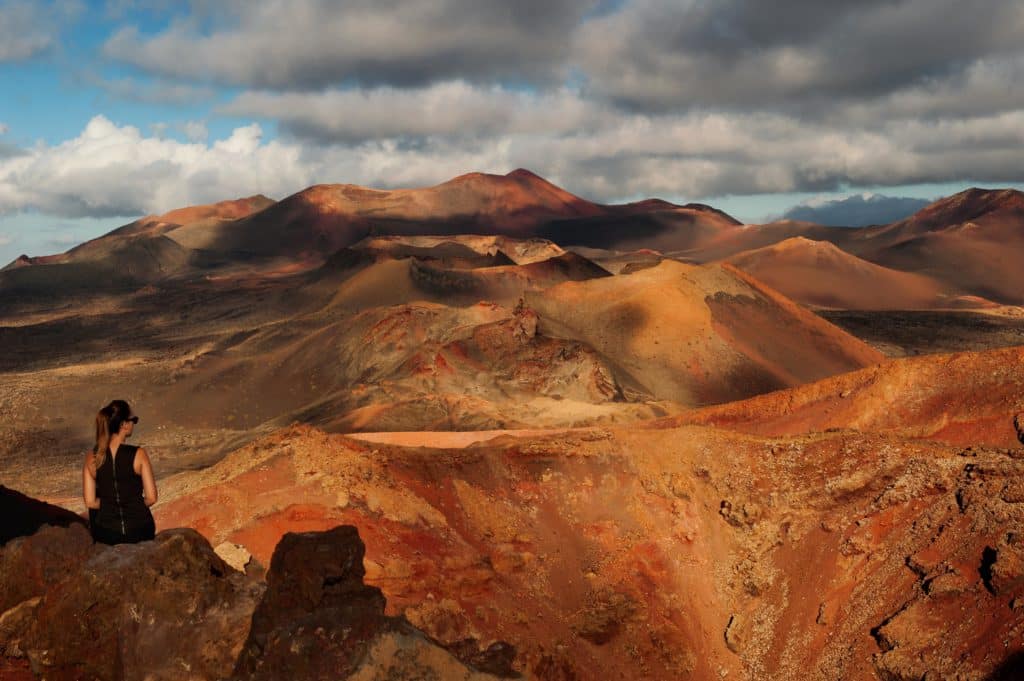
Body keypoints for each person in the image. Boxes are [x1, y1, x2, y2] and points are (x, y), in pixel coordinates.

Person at [82, 400, 158, 544]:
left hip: (107, 534)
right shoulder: (139, 454)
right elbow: (152, 498)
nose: (134, 424)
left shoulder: (91, 457)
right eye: (133, 420)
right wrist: (131, 505)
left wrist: (111, 507)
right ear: (123, 424)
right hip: (139, 531)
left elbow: (90, 502)